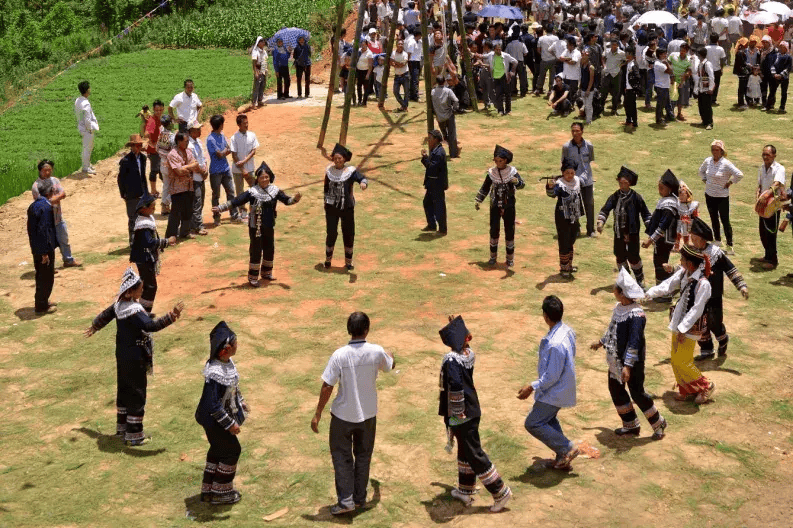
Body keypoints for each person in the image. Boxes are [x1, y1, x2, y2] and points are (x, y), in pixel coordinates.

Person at [84, 267, 184, 445]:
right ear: (130, 291)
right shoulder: (134, 311)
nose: (142, 291)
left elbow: (105, 315)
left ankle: (122, 429)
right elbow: (150, 326)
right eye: (140, 288)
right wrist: (171, 316)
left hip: (122, 356)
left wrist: (94, 327)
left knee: (124, 390)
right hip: (136, 358)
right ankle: (135, 435)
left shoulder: (119, 305)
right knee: (137, 392)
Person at [311, 312, 394, 515]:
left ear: (349, 330)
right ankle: (359, 499)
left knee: (342, 457)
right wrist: (391, 355)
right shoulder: (376, 351)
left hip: (342, 416)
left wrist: (318, 413)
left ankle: (346, 501)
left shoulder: (339, 355)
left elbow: (327, 386)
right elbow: (390, 366)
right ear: (367, 330)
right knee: (363, 456)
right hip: (368, 415)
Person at [437, 315, 512, 512]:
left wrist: (457, 413)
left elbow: (454, 385)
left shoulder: (451, 360)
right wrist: (458, 327)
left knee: (474, 453)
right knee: (465, 450)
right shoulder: (468, 354)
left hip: (462, 414)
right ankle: (466, 490)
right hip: (472, 409)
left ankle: (500, 491)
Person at [590, 268, 668, 440]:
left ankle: (659, 423)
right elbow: (612, 328)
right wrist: (601, 342)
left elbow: (634, 342)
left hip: (631, 364)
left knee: (637, 392)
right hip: (616, 360)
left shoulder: (637, 315)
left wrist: (628, 366)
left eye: (615, 289)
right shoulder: (619, 308)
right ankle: (631, 424)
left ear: (622, 293)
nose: (613, 291)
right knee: (616, 389)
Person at [645, 246, 715, 404]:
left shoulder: (704, 284)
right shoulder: (684, 273)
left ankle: (706, 386)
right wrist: (649, 293)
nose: (680, 261)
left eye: (682, 259)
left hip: (691, 327)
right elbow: (667, 285)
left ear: (690, 263)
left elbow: (697, 309)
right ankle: (687, 389)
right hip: (678, 322)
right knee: (675, 359)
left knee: (683, 361)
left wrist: (683, 328)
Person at [213, 162, 301, 286]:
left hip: (269, 225)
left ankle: (266, 272)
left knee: (269, 248)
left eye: (266, 177)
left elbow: (287, 201)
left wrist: (296, 199)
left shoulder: (275, 191)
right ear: (257, 179)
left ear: (270, 177)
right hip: (256, 227)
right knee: (256, 250)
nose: (264, 179)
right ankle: (253, 277)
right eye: (261, 177)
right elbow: (237, 200)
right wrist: (221, 208)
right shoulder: (253, 192)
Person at [518, 295, 579, 470]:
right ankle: (562, 456)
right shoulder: (567, 330)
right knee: (548, 419)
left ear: (545, 316)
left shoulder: (554, 344)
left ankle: (567, 448)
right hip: (561, 386)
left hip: (555, 389)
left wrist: (531, 386)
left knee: (533, 423)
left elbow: (551, 376)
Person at [195, 321, 248, 505]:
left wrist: (240, 402)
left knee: (218, 449)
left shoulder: (226, 363)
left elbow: (233, 388)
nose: (237, 344)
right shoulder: (215, 373)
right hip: (212, 420)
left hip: (213, 418)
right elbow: (213, 406)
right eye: (235, 342)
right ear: (225, 349)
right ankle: (220, 493)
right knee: (232, 450)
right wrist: (230, 424)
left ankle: (208, 490)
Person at [687, 217, 748, 361]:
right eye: (692, 238)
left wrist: (742, 286)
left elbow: (730, 269)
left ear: (703, 239)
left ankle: (722, 338)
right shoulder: (692, 252)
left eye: (695, 238)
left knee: (714, 322)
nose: (693, 241)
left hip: (713, 295)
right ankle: (707, 349)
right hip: (697, 295)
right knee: (699, 322)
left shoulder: (716, 253)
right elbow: (685, 270)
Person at [597, 166, 652, 286]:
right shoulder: (615, 196)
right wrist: (600, 222)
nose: (622, 185)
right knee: (620, 256)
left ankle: (640, 280)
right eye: (620, 182)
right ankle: (626, 280)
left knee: (634, 257)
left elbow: (645, 213)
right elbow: (605, 209)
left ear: (630, 183)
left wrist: (651, 230)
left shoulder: (636, 197)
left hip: (632, 233)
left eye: (625, 183)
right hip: (619, 233)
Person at [475, 145, 525, 268]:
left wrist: (516, 182)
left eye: (501, 161)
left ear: (506, 161)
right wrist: (479, 200)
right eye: (496, 161)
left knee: (509, 231)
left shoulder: (512, 172)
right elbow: (485, 187)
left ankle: (510, 259)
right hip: (495, 207)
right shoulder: (492, 173)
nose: (498, 163)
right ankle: (493, 257)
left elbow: (522, 185)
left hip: (509, 206)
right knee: (494, 230)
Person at [323, 144, 368, 270]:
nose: (337, 161)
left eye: (340, 158)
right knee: (331, 233)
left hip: (347, 208)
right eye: (335, 158)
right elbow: (326, 188)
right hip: (331, 208)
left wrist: (363, 184)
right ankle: (328, 260)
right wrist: (325, 203)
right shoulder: (329, 172)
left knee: (348, 233)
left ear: (344, 159)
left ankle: (348, 262)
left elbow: (361, 178)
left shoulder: (350, 171)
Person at [129, 194, 176, 314]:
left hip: (145, 257)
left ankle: (144, 312)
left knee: (149, 286)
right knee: (150, 287)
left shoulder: (145, 219)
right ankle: (143, 313)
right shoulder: (143, 224)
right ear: (144, 208)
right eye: (152, 207)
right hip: (144, 258)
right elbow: (148, 243)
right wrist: (166, 241)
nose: (154, 210)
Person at [31, 160, 80, 268]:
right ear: (40, 171)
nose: (48, 172)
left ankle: (68, 260)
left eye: (49, 170)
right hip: (46, 220)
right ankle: (49, 267)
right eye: (45, 170)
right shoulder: (36, 186)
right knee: (48, 244)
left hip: (57, 217)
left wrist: (50, 200)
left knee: (64, 240)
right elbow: (41, 204)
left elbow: (63, 194)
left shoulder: (55, 180)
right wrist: (55, 199)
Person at [698, 139, 743, 254]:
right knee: (713, 218)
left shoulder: (726, 163)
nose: (714, 152)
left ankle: (729, 244)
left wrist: (730, 182)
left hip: (722, 197)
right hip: (709, 195)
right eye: (713, 150)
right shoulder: (708, 161)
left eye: (717, 150)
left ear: (722, 151)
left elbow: (739, 174)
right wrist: (705, 180)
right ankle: (717, 240)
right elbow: (701, 171)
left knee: (725, 220)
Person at [642, 169, 680, 299]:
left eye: (662, 188)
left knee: (661, 264)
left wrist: (651, 240)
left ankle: (663, 294)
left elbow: (663, 225)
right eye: (658, 187)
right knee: (659, 263)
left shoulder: (669, 204)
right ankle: (663, 289)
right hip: (663, 239)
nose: (659, 190)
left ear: (669, 189)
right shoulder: (667, 200)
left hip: (664, 240)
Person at [546, 159, 584, 278]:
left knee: (572, 239)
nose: (570, 176)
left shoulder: (577, 181)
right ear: (563, 173)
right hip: (562, 217)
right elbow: (552, 194)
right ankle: (564, 268)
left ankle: (569, 264)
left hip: (574, 217)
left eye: (572, 173)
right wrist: (550, 186)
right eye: (567, 173)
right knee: (564, 241)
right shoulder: (560, 184)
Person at [27, 178, 59, 315]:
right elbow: (43, 230)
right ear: (50, 192)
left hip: (36, 248)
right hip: (43, 249)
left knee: (41, 275)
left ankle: (43, 301)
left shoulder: (34, 205)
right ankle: (41, 305)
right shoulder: (46, 207)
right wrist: (45, 252)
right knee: (46, 277)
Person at [561, 122, 596, 237]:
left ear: (582, 131)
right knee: (574, 204)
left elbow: (589, 161)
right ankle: (576, 229)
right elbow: (564, 164)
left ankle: (591, 230)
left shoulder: (589, 145)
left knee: (589, 204)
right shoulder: (566, 147)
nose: (575, 133)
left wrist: (583, 176)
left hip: (587, 180)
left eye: (577, 131)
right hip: (572, 181)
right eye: (573, 131)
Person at [756, 144, 786, 270]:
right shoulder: (762, 167)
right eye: (763, 154)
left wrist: (767, 194)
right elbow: (759, 184)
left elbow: (777, 183)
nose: (765, 157)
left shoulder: (779, 168)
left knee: (771, 233)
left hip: (773, 205)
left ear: (774, 155)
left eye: (767, 154)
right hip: (763, 204)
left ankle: (773, 261)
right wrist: (758, 194)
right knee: (762, 232)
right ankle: (767, 255)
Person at [206, 115, 240, 226]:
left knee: (230, 192)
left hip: (225, 169)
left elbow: (227, 150)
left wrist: (224, 151)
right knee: (216, 195)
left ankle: (234, 214)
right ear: (220, 125)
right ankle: (217, 217)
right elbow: (221, 153)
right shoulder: (210, 139)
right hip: (216, 171)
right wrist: (225, 151)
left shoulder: (221, 135)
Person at [166, 131, 200, 239]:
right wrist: (189, 168)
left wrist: (185, 167)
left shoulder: (188, 151)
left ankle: (185, 232)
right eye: (186, 141)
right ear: (179, 141)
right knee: (176, 213)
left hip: (188, 186)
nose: (187, 143)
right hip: (177, 188)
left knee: (188, 211)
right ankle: (171, 235)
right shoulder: (172, 154)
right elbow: (178, 172)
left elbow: (196, 164)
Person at [118, 134, 148, 245]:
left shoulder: (143, 158)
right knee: (133, 219)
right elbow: (121, 179)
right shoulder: (125, 161)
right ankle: (133, 241)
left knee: (143, 217)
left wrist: (147, 192)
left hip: (142, 192)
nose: (137, 148)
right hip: (131, 194)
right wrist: (123, 194)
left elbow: (143, 176)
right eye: (135, 146)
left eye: (139, 145)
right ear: (131, 146)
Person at [229, 114, 259, 220]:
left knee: (254, 188)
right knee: (240, 191)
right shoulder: (234, 138)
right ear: (239, 125)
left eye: (247, 123)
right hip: (238, 170)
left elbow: (254, 150)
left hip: (250, 167)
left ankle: (255, 208)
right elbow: (234, 155)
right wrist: (242, 169)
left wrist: (245, 161)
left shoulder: (252, 135)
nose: (247, 125)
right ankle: (242, 210)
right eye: (244, 123)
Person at [421, 130, 448, 234]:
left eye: (430, 138)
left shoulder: (439, 152)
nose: (428, 141)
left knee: (439, 206)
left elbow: (432, 168)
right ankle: (432, 225)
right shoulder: (435, 150)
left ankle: (442, 229)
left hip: (437, 184)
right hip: (432, 183)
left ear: (436, 139)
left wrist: (425, 158)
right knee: (427, 203)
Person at [187, 120, 209, 236]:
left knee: (200, 202)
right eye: (197, 129)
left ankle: (194, 225)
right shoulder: (189, 145)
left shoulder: (199, 142)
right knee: (197, 202)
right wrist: (201, 171)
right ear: (191, 131)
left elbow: (203, 158)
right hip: (195, 177)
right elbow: (193, 163)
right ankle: (198, 226)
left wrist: (206, 170)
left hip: (201, 176)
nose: (200, 131)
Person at [430, 76, 460, 158]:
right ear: (444, 81)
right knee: (452, 134)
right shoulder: (448, 91)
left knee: (445, 134)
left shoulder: (433, 91)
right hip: (449, 115)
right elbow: (456, 100)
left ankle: (452, 147)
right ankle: (453, 153)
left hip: (439, 117)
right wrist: (454, 109)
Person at [74, 81, 99, 174]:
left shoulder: (78, 100)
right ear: (87, 90)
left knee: (87, 147)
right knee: (87, 148)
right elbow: (87, 119)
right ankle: (86, 167)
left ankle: (87, 164)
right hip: (86, 129)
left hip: (81, 127)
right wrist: (90, 129)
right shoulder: (86, 104)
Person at [487, 43, 518, 115]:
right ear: (494, 50)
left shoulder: (505, 56)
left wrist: (511, 72)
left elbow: (515, 62)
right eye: (497, 49)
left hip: (504, 77)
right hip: (496, 77)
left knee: (507, 94)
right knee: (498, 94)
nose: (498, 51)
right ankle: (500, 110)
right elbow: (482, 56)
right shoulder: (491, 56)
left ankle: (508, 110)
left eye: (499, 49)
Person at [143, 100, 164, 197]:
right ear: (153, 110)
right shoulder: (152, 120)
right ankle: (153, 191)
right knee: (155, 170)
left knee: (160, 170)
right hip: (154, 150)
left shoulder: (161, 119)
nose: (158, 112)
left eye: (160, 110)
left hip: (160, 149)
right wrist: (153, 144)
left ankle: (161, 190)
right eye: (156, 110)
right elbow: (147, 134)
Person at [156, 115, 175, 215]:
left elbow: (157, 149)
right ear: (170, 123)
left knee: (166, 186)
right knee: (175, 186)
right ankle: (166, 203)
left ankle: (164, 208)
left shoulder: (161, 135)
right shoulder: (172, 136)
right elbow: (174, 152)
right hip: (170, 165)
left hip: (162, 164)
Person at [668, 42, 693, 121]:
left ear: (687, 51)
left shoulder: (689, 59)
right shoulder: (673, 55)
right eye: (681, 50)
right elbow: (667, 63)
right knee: (672, 97)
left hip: (682, 81)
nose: (682, 52)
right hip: (672, 80)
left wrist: (685, 75)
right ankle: (670, 113)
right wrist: (671, 74)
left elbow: (689, 70)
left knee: (680, 98)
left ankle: (679, 113)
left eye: (684, 51)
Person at [602, 39, 626, 113]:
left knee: (616, 92)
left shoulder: (621, 53)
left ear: (617, 45)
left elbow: (625, 60)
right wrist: (604, 65)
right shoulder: (607, 51)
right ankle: (601, 107)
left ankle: (614, 108)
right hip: (607, 73)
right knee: (604, 91)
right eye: (613, 45)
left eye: (615, 45)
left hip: (616, 74)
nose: (614, 46)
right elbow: (603, 58)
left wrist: (620, 66)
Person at [766, 41, 791, 113]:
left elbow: (788, 68)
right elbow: (772, 65)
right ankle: (769, 105)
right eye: (780, 47)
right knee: (772, 91)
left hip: (784, 77)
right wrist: (774, 74)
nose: (781, 49)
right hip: (775, 76)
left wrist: (781, 75)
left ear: (786, 49)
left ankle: (782, 107)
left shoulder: (788, 57)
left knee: (784, 93)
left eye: (783, 47)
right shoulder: (776, 56)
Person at [674, 182, 699, 252]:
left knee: (685, 231)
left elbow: (695, 215)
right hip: (678, 221)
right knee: (678, 231)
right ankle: (676, 246)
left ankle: (686, 245)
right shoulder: (677, 203)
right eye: (680, 195)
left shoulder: (692, 204)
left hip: (688, 222)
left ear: (687, 195)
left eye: (682, 195)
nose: (680, 197)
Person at [653, 48, 675, 125]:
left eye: (666, 54)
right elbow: (670, 71)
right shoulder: (659, 64)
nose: (665, 55)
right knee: (660, 104)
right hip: (661, 86)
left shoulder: (660, 63)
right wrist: (667, 64)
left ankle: (670, 116)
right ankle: (658, 119)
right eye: (664, 54)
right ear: (659, 55)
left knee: (667, 102)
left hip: (664, 85)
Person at [696, 47, 715, 130]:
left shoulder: (707, 64)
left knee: (707, 106)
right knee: (701, 105)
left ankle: (709, 122)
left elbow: (711, 77)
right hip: (701, 88)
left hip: (706, 88)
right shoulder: (700, 64)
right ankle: (704, 120)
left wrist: (711, 88)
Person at [705, 34, 727, 105]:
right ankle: (713, 100)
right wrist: (721, 68)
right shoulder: (720, 49)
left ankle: (707, 98)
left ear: (710, 39)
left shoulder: (706, 48)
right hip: (716, 69)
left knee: (707, 84)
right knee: (716, 84)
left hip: (707, 69)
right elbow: (722, 60)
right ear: (717, 40)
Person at [622, 47, 640, 128]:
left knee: (632, 106)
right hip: (628, 88)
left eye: (627, 54)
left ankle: (634, 122)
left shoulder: (633, 64)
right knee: (626, 104)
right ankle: (628, 120)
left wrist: (634, 86)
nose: (626, 55)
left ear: (631, 55)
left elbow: (637, 76)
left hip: (632, 89)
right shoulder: (628, 63)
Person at [391, 40, 410, 112]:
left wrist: (395, 63)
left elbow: (403, 64)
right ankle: (404, 105)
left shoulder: (405, 54)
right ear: (396, 45)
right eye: (399, 44)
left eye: (402, 44)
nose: (400, 45)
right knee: (395, 92)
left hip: (405, 75)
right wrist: (397, 64)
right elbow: (391, 62)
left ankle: (404, 107)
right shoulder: (393, 53)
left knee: (407, 92)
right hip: (397, 75)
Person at [578, 49, 596, 124]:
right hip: (583, 87)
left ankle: (589, 120)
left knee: (588, 105)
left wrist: (588, 90)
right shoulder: (582, 64)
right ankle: (586, 117)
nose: (582, 56)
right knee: (585, 104)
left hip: (589, 89)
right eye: (582, 54)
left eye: (584, 54)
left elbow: (591, 80)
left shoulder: (591, 67)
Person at [355, 40, 374, 106]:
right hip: (359, 71)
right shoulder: (359, 51)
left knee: (366, 88)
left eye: (364, 45)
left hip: (365, 71)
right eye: (362, 45)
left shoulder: (369, 53)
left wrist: (368, 74)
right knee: (358, 86)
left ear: (366, 45)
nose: (362, 46)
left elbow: (370, 65)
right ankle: (359, 100)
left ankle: (364, 101)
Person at [251, 36, 268, 108]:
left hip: (263, 69)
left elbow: (266, 61)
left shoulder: (264, 51)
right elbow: (254, 63)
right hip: (258, 69)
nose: (263, 43)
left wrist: (267, 70)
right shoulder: (255, 51)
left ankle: (260, 101)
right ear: (258, 43)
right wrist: (255, 72)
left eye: (263, 41)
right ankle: (254, 103)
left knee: (262, 86)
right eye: (261, 42)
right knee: (256, 86)